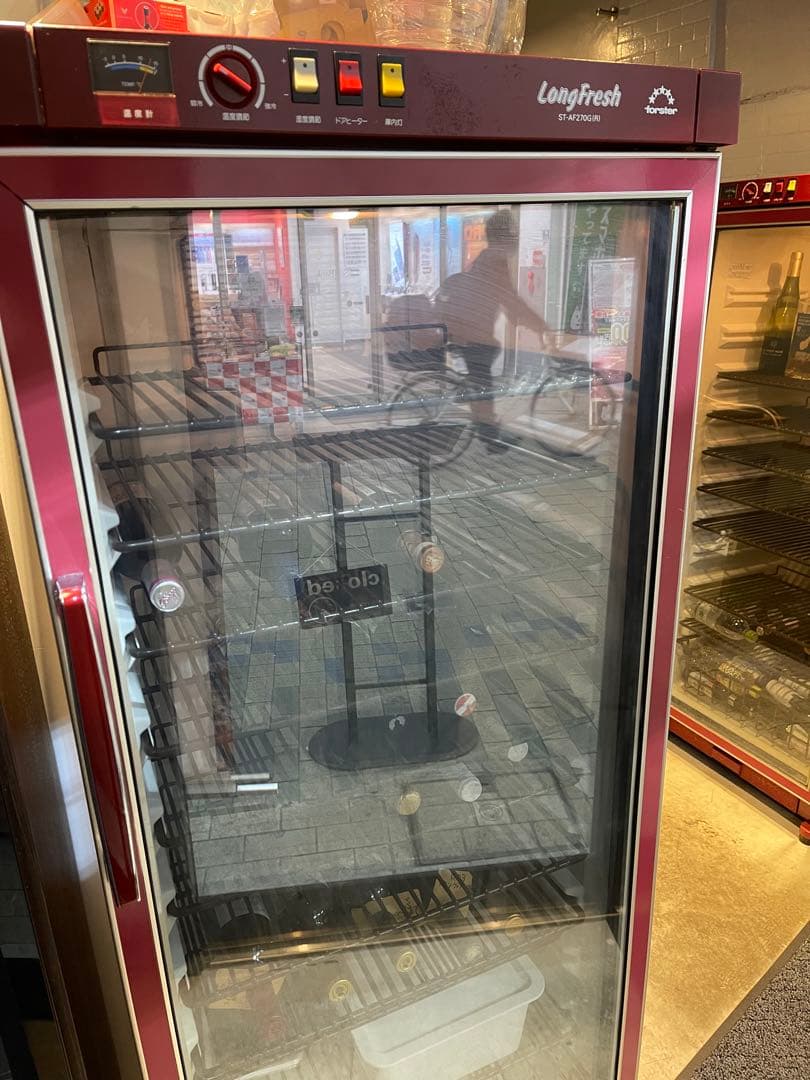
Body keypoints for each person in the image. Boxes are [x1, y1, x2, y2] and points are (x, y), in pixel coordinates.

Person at [435, 209, 548, 451]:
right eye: (515, 234)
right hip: (473, 333)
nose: (517, 239)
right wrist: (538, 323)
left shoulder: (487, 257)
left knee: (482, 373)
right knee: (483, 377)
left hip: (467, 329)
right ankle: (490, 436)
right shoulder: (495, 260)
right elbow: (510, 299)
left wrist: (523, 319)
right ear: (507, 236)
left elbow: (504, 298)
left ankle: (483, 421)